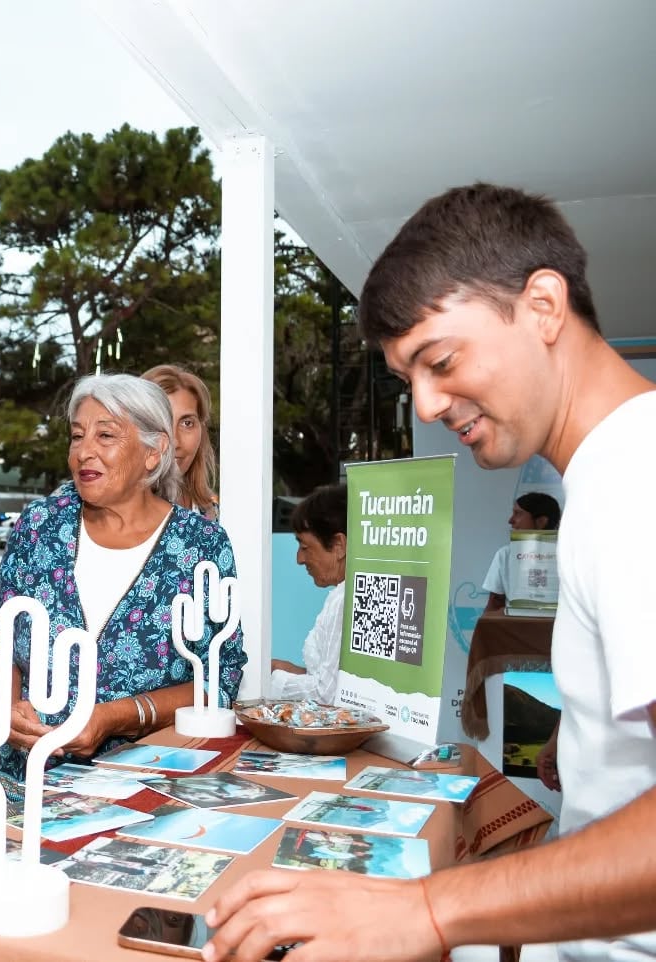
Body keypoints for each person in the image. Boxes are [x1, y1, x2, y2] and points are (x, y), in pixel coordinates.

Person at [204, 184, 656, 962]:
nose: (426, 403)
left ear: (542, 306)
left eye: (439, 361)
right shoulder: (610, 477)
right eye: (405, 377)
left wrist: (427, 912)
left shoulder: (634, 483)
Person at [0, 373, 246, 800]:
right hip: (25, 788)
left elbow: (218, 679)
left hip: (143, 788)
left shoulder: (200, 545)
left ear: (153, 453)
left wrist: (115, 717)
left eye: (106, 435)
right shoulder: (41, 526)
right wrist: (10, 709)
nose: (84, 451)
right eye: (77, 435)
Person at [269, 483, 347, 704]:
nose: (299, 559)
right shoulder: (345, 595)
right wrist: (296, 673)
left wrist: (274, 680)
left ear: (339, 546)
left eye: (305, 547)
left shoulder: (344, 601)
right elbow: (333, 683)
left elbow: (327, 694)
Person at [141, 363, 219, 517]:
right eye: (160, 424)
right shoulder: (108, 513)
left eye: (187, 423)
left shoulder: (213, 512)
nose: (174, 441)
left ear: (202, 431)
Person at [483, 490, 563, 611]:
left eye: (518, 514)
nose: (510, 520)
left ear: (541, 521)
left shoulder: (571, 556)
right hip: (517, 626)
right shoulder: (505, 554)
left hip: (560, 627)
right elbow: (495, 603)